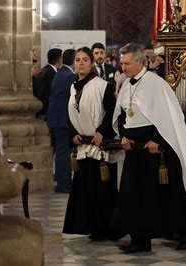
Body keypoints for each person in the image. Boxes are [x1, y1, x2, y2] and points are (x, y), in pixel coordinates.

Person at [111, 43, 186, 253]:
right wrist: (123, 135)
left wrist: (157, 139)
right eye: (121, 63)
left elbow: (170, 116)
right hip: (134, 147)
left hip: (158, 149)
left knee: (169, 193)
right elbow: (124, 114)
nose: (122, 67)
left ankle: (185, 232)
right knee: (133, 194)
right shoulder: (126, 84)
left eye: (126, 63)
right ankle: (139, 240)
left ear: (139, 62)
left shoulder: (156, 83)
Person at [62, 47, 122, 241]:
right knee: (85, 190)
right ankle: (92, 226)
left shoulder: (103, 86)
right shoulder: (73, 87)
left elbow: (113, 112)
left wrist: (101, 132)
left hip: (99, 147)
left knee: (102, 190)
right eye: (77, 59)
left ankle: (108, 228)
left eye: (85, 59)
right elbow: (71, 115)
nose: (80, 63)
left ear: (91, 63)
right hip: (82, 147)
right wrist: (73, 134)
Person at [47, 49, 76, 193]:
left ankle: (62, 181)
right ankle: (64, 183)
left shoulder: (60, 72)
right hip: (62, 119)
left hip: (57, 118)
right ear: (73, 61)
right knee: (63, 152)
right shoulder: (69, 75)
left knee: (61, 151)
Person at [37, 48, 62, 120]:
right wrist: (43, 112)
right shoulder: (49, 73)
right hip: (47, 111)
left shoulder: (45, 70)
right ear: (58, 59)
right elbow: (45, 93)